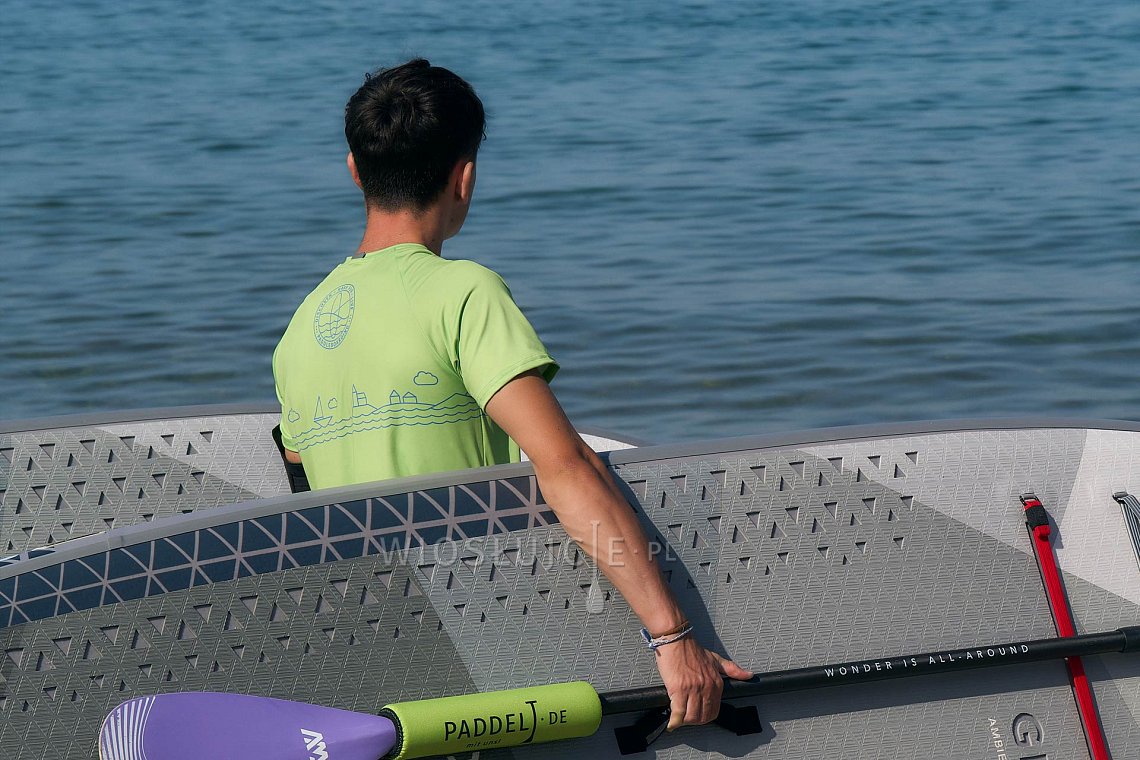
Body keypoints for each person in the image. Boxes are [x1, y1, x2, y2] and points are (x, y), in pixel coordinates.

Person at [272, 58, 751, 731]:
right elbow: (564, 466)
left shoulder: (297, 333)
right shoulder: (463, 294)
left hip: (375, 655)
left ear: (355, 170)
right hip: (488, 642)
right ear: (464, 177)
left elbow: (303, 481)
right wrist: (670, 637)